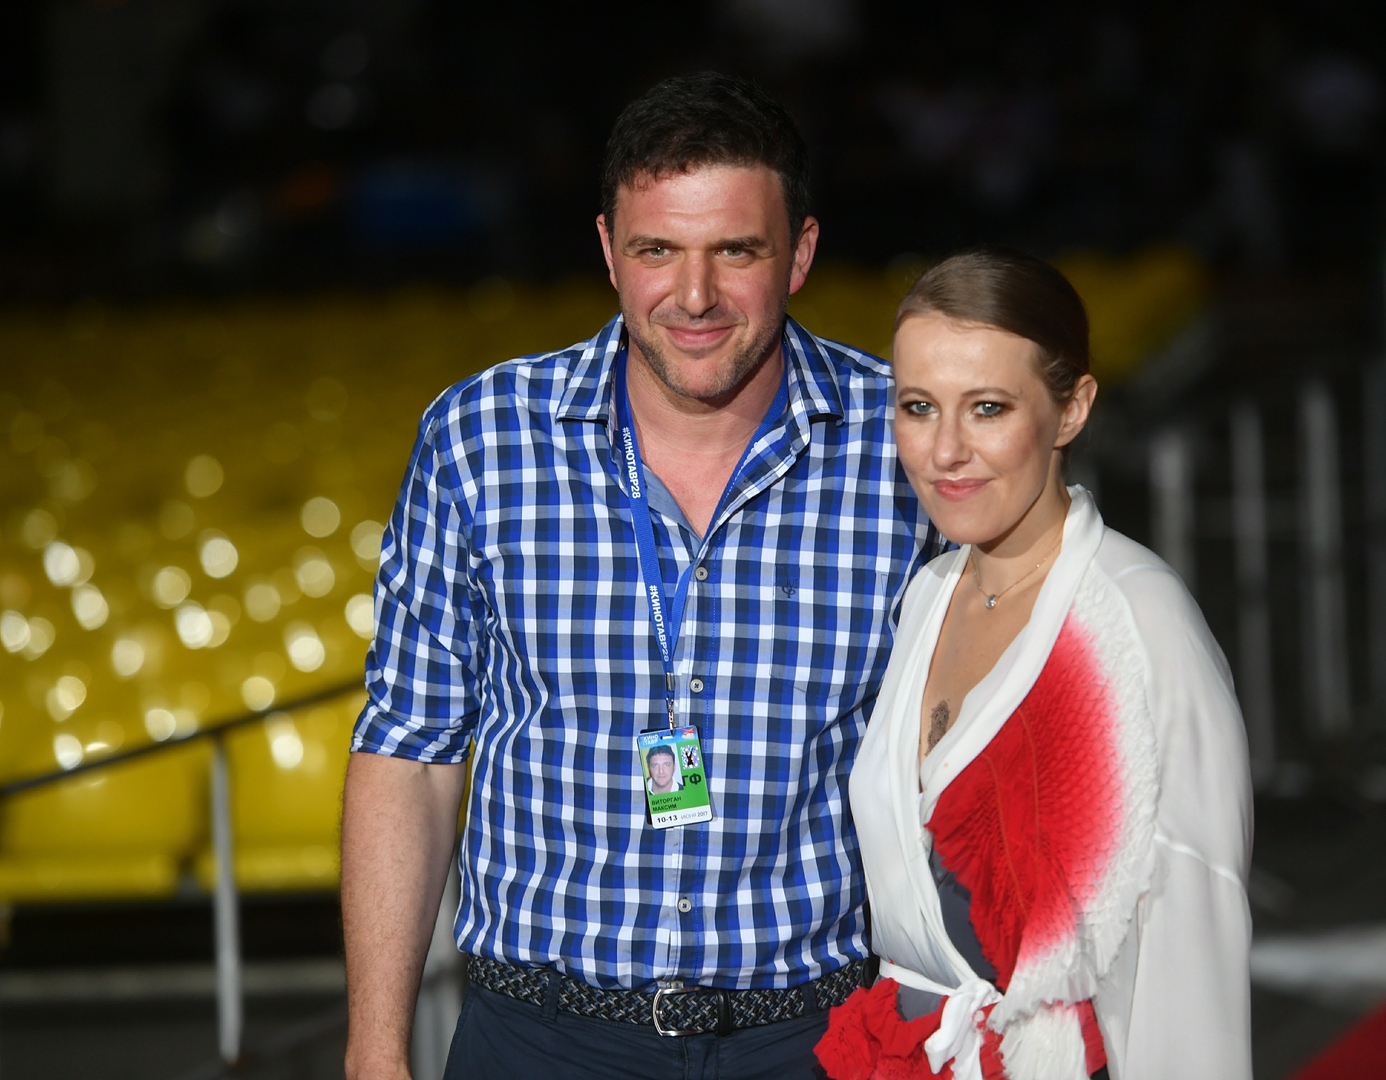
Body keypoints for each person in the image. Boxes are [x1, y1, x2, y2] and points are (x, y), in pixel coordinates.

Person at [340, 73, 939, 1080]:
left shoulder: (905, 448)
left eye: (735, 251)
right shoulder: (482, 441)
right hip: (540, 1038)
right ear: (610, 251)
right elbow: (411, 752)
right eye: (658, 250)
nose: (694, 297)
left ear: (799, 254)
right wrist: (373, 1050)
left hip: (818, 1040)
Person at [813, 250, 1253, 1080]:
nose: (945, 450)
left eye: (988, 408)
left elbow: (1190, 944)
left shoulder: (1140, 620)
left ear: (1072, 409)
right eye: (917, 407)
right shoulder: (928, 594)